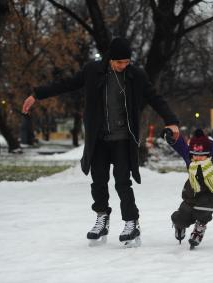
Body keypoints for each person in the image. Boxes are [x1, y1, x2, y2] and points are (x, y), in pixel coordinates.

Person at [21, 37, 180, 247]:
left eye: (127, 62)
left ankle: (132, 222)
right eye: (119, 62)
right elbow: (66, 84)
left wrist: (172, 122)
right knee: (98, 182)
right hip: (99, 139)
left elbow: (155, 98)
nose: (124, 66)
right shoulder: (92, 71)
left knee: (123, 182)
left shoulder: (136, 75)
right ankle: (102, 218)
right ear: (110, 59)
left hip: (123, 138)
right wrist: (37, 95)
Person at [162, 128, 213, 249]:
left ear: (208, 154)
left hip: (211, 193)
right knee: (183, 216)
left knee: (203, 209)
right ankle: (179, 225)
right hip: (192, 193)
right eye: (195, 155)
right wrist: (171, 138)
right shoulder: (190, 158)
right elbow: (180, 146)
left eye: (201, 156)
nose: (197, 158)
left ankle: (200, 227)